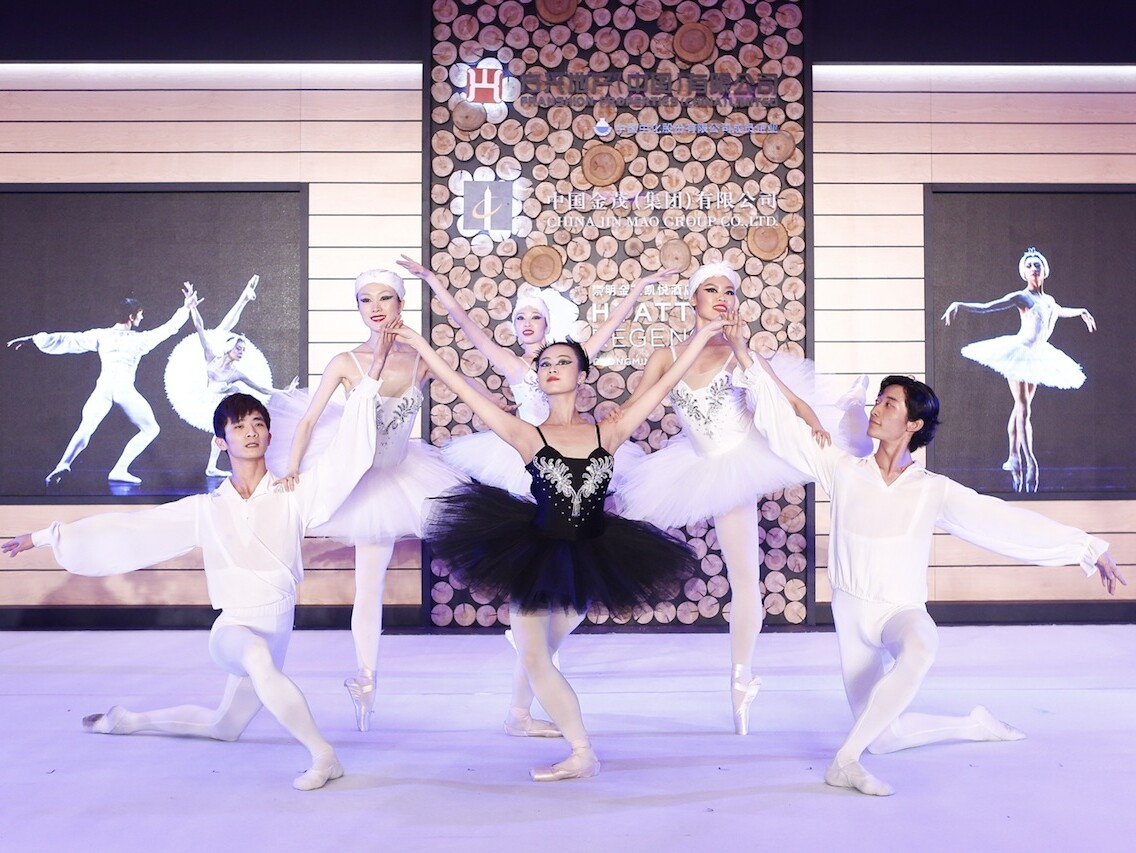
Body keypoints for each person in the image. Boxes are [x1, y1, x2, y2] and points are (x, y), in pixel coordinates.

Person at [737, 319, 1125, 797]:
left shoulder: (932, 489)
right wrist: (741, 351)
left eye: (889, 403)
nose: (876, 409)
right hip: (852, 612)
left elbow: (1001, 521)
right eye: (878, 400)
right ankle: (972, 724)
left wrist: (1087, 546)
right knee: (885, 737)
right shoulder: (842, 469)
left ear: (913, 424)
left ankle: (844, 762)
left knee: (922, 646)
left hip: (901, 610)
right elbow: (781, 424)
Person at [2, 369, 389, 790]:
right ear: (221, 442)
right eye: (238, 426)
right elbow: (130, 529)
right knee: (255, 655)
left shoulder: (295, 495)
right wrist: (43, 537)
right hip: (233, 630)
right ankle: (324, 756)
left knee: (225, 724)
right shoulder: (207, 508)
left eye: (258, 424)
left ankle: (127, 721)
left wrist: (369, 384)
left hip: (278, 629)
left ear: (270, 435)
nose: (251, 432)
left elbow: (347, 460)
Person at [393, 324, 728, 782]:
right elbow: (461, 386)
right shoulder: (526, 433)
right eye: (545, 364)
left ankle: (518, 716)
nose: (551, 369)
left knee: (543, 651)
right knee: (535, 655)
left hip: (591, 556)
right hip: (535, 556)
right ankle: (582, 751)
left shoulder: (610, 431)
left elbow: (667, 382)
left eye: (563, 362)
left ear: (582, 374)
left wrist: (704, 334)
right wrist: (421, 344)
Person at [613, 261, 872, 736]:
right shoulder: (666, 356)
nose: (721, 298)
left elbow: (792, 401)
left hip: (738, 461)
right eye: (711, 289)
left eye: (729, 291)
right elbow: (631, 409)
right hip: (693, 464)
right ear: (693, 300)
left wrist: (815, 424)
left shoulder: (740, 354)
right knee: (625, 542)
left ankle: (741, 676)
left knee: (744, 577)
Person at [266, 267, 466, 733]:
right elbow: (308, 420)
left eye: (385, 298)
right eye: (365, 299)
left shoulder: (419, 360)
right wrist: (293, 466)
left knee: (371, 584)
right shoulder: (345, 361)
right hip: (347, 473)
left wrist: (421, 345)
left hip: (397, 476)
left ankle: (367, 679)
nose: (375, 307)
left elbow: (460, 384)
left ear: (400, 304)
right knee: (361, 583)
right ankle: (357, 675)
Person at [396, 254, 673, 497]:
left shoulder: (570, 360)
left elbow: (611, 324)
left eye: (535, 317)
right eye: (521, 318)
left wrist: (640, 285)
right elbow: (465, 322)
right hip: (526, 447)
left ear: (547, 324)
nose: (527, 323)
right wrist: (431, 279)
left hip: (573, 442)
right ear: (515, 326)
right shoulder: (512, 364)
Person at [941, 247, 1097, 493]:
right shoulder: (1022, 297)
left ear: (1044, 270)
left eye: (1037, 265)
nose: (1033, 268)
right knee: (1023, 408)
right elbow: (988, 306)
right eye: (1029, 266)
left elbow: (1059, 311)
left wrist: (1081, 312)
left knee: (1020, 408)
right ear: (1024, 273)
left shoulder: (1049, 300)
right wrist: (959, 304)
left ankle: (1013, 456)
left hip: (1037, 355)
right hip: (1019, 353)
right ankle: (1030, 461)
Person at [7, 283, 196, 485]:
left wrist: (32, 339)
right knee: (151, 429)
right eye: (140, 314)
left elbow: (67, 340)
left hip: (103, 389)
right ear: (131, 316)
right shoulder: (140, 340)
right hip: (124, 390)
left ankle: (63, 464)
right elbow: (169, 328)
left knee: (85, 428)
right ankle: (119, 469)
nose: (142, 318)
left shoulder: (101, 335)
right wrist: (186, 307)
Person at [167, 274, 298, 477]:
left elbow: (261, 388)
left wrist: (285, 391)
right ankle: (244, 298)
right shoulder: (211, 357)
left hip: (219, 398)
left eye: (243, 350)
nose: (241, 352)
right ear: (229, 348)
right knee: (221, 329)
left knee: (222, 424)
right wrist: (192, 307)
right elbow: (200, 328)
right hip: (202, 395)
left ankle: (214, 466)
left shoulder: (236, 373)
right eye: (238, 348)